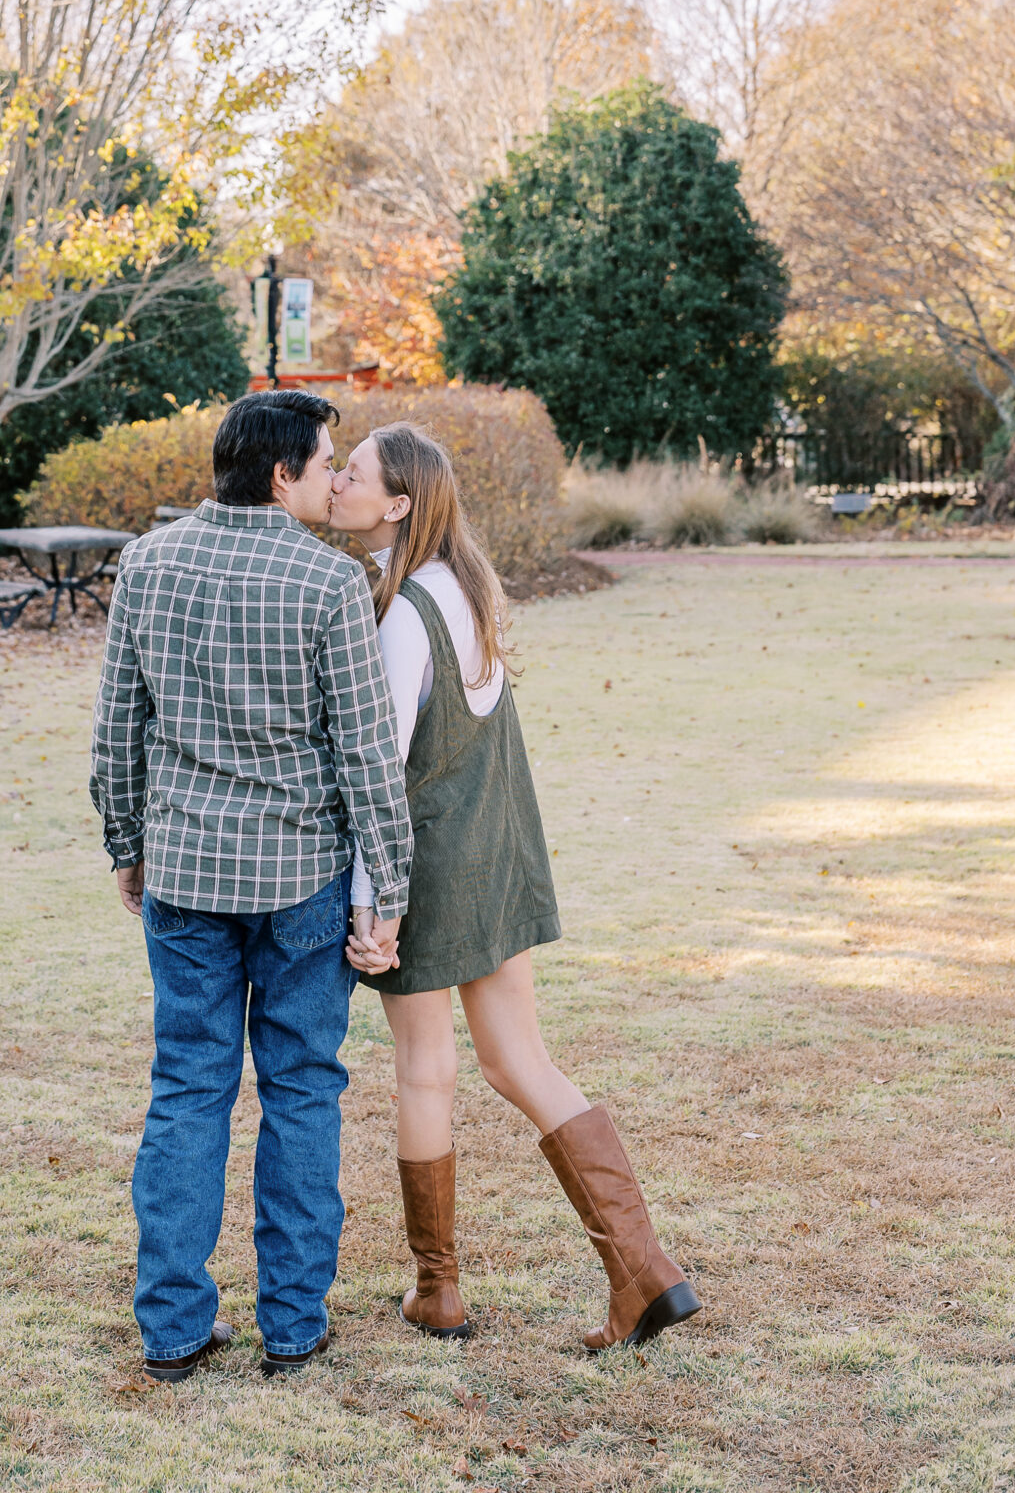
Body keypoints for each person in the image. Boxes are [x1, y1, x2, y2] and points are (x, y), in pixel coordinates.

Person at [333, 422, 700, 1354]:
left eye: (353, 474)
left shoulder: (406, 614)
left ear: (398, 502)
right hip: (494, 860)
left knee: (427, 1070)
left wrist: (375, 906)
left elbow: (382, 771)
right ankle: (642, 1269)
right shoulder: (463, 587)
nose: (336, 483)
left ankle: (439, 1290)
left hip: (429, 872)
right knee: (519, 1063)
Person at [90, 389, 412, 1383]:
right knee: (303, 1091)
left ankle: (175, 1329)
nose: (334, 480)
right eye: (325, 464)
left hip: (185, 871)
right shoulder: (329, 583)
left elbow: (117, 732)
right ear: (281, 474)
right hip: (302, 879)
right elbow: (364, 753)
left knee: (187, 1090)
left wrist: (126, 843)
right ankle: (294, 1326)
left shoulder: (147, 563)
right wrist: (387, 887)